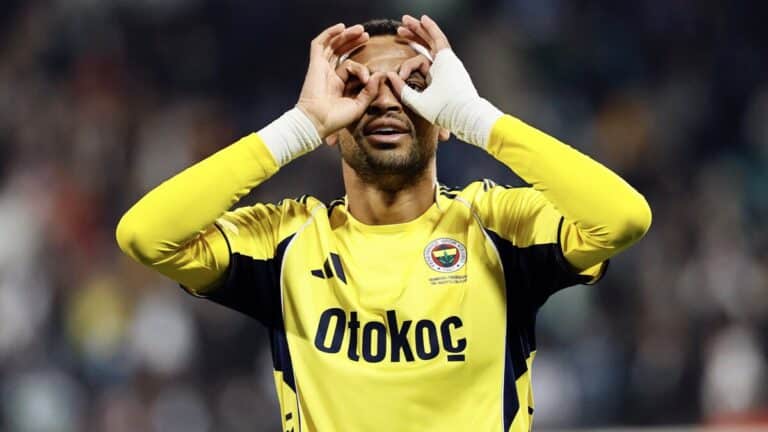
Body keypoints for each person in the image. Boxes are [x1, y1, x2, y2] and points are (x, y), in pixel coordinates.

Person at [116, 15, 651, 432]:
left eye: (414, 81)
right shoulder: (286, 244)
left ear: (443, 116)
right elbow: (145, 235)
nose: (386, 99)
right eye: (358, 86)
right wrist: (294, 128)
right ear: (331, 123)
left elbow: (623, 218)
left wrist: (478, 118)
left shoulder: (497, 227)